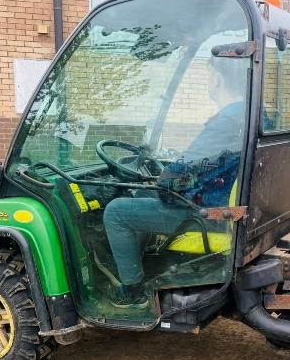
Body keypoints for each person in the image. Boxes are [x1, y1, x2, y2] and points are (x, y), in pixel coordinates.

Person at [103, 55, 245, 308]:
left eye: (208, 76)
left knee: (115, 212)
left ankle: (132, 290)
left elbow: (176, 178)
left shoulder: (225, 122)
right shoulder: (246, 115)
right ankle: (140, 264)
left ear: (218, 78)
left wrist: (164, 177)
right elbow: (207, 162)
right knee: (141, 197)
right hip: (221, 197)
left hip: (205, 211)